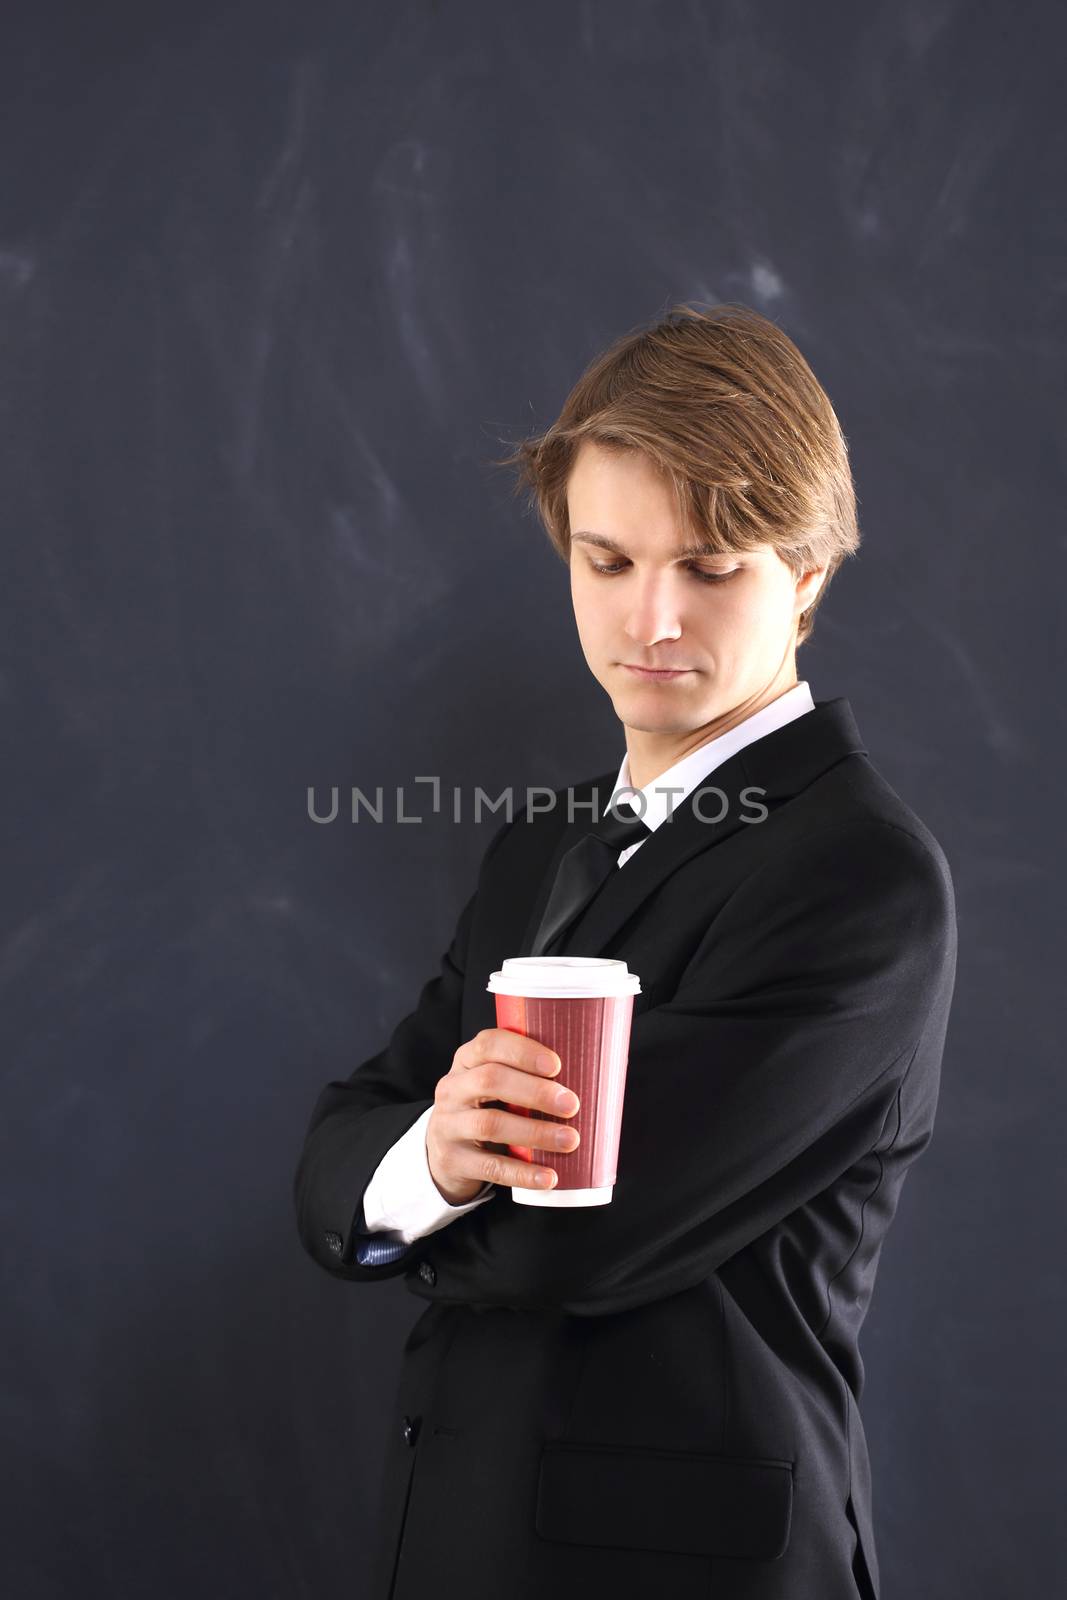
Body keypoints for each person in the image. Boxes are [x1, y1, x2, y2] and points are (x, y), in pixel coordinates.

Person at [292, 303, 958, 1600]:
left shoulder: (862, 878)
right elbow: (338, 1152)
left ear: (807, 572)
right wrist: (432, 1154)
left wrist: (413, 1175)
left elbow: (565, 1246)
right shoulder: (540, 845)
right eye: (607, 561)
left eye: (710, 566)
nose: (652, 618)